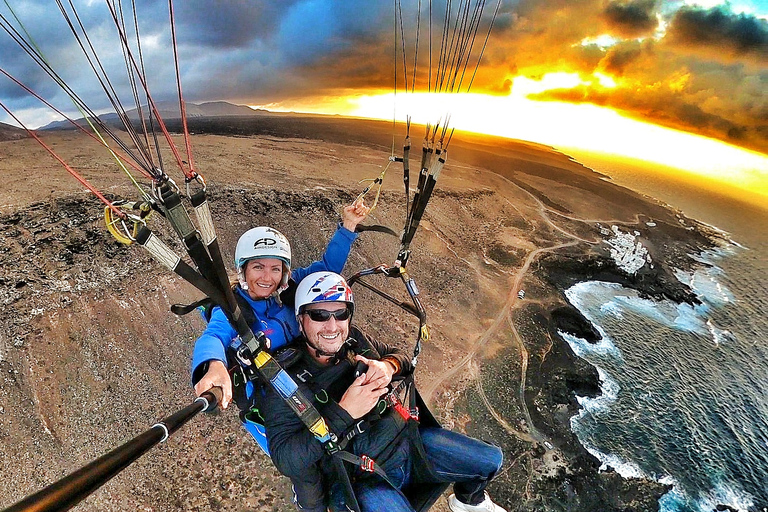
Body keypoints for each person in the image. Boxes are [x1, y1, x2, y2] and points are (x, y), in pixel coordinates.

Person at [263, 271, 507, 512]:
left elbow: (398, 356)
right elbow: (286, 457)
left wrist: (387, 366)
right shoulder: (286, 380)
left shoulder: (354, 341)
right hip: (363, 479)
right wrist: (343, 413)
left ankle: (468, 500)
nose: (332, 326)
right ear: (300, 320)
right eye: (319, 315)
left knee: (491, 460)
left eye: (341, 314)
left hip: (408, 446)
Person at [191, 199, 370, 412]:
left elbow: (328, 269)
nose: (268, 278)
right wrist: (214, 365)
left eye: (275, 269)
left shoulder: (289, 288)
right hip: (278, 397)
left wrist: (348, 226)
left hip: (312, 371)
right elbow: (214, 336)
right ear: (243, 270)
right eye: (258, 267)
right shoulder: (234, 309)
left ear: (283, 272)